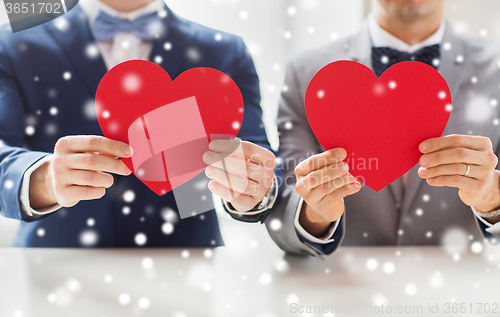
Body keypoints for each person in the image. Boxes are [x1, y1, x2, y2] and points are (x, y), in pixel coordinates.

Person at [0, 0, 278, 247]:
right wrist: (42, 178)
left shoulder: (226, 51)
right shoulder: (12, 45)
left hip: (186, 260)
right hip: (54, 261)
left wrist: (253, 188)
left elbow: (260, 159)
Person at [267, 0, 500, 256]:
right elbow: (283, 210)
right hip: (345, 287)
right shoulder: (305, 73)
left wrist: (493, 199)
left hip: (464, 285)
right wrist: (315, 214)